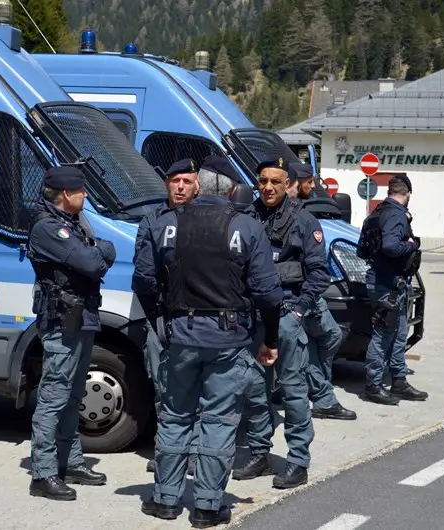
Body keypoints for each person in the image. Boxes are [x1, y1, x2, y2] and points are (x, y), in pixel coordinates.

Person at [133, 154, 284, 528]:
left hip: (181, 335)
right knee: (219, 420)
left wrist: (159, 320)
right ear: (232, 190)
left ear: (198, 185)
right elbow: (268, 293)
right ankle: (206, 506)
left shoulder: (166, 224)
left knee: (175, 416)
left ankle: (166, 500)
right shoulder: (246, 227)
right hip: (228, 339)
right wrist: (270, 338)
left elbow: (144, 281)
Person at [230, 158, 326, 488]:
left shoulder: (304, 221)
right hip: (254, 319)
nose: (268, 187)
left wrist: (299, 311)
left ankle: (298, 461)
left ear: (288, 185)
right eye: (263, 181)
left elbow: (318, 274)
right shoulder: (246, 218)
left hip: (286, 317)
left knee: (293, 393)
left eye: (275, 182)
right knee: (254, 391)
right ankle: (260, 453)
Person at [27, 166, 117, 501]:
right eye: (81, 191)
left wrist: (95, 249)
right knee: (54, 397)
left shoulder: (74, 222)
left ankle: (71, 462)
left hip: (82, 317)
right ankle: (43, 473)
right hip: (61, 322)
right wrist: (95, 250)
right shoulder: (48, 227)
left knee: (74, 395)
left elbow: (106, 250)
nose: (86, 195)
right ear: (66, 194)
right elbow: (94, 263)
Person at [137, 158, 199, 475]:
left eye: (187, 181)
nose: (180, 187)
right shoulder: (152, 221)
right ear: (167, 184)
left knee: (198, 387)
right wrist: (156, 315)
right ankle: (167, 450)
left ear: (197, 186)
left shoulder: (209, 219)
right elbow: (143, 275)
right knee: (164, 387)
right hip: (163, 316)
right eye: (175, 181)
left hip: (200, 318)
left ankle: (194, 452)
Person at [290, 162, 357, 421]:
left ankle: (319, 390)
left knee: (328, 337)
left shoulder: (302, 212)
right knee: (311, 344)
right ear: (298, 182)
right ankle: (322, 397)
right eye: (310, 182)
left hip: (309, 291)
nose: (313, 186)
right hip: (300, 293)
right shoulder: (290, 214)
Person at [356, 175, 428, 406]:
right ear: (407, 194)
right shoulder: (395, 215)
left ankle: (399, 380)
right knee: (383, 334)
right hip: (388, 284)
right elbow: (390, 246)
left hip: (387, 281)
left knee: (398, 333)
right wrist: (412, 244)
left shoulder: (376, 213)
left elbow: (361, 250)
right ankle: (373, 386)